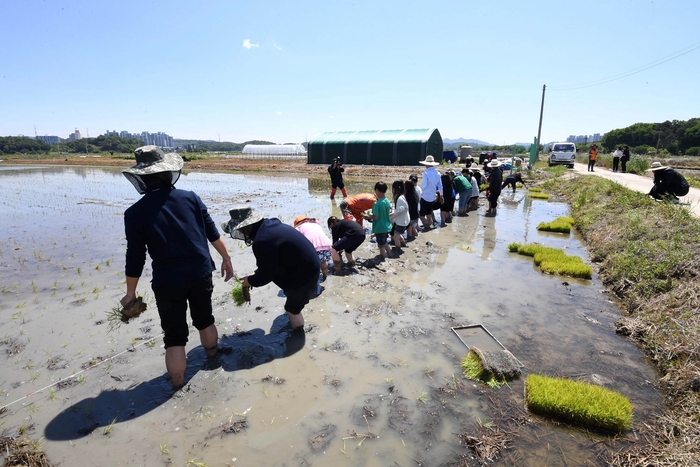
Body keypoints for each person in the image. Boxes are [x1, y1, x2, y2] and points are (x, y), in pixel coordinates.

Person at [121, 145, 234, 390]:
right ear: (167, 172)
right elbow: (213, 234)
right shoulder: (191, 198)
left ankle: (177, 386)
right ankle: (213, 358)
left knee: (174, 337)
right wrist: (226, 258)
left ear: (142, 178)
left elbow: (135, 256)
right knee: (205, 320)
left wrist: (130, 293)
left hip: (167, 282)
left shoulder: (134, 213)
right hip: (200, 273)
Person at [226, 207, 320, 331]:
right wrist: (255, 275)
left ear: (247, 227)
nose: (242, 234)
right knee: (294, 301)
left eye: (241, 230)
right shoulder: (270, 226)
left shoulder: (262, 240)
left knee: (292, 310)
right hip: (308, 265)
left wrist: (250, 281)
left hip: (305, 274)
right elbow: (271, 263)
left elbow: (266, 275)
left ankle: (297, 335)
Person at [365, 181, 392, 259]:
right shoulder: (387, 201)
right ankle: (390, 254)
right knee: (384, 242)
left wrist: (367, 216)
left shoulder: (376, 204)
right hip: (387, 226)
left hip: (379, 228)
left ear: (377, 190)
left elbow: (375, 217)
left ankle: (382, 257)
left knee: (381, 245)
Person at [418, 155, 443, 229]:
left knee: (421, 215)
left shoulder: (426, 173)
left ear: (426, 164)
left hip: (425, 196)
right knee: (428, 213)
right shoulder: (437, 173)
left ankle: (426, 226)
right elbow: (440, 185)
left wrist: (418, 188)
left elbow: (424, 185)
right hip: (432, 197)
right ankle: (429, 225)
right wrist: (441, 195)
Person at [389, 180, 409, 250]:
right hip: (404, 220)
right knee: (399, 234)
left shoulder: (400, 198)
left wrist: (392, 217)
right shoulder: (403, 196)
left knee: (396, 237)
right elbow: (400, 210)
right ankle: (404, 245)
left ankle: (398, 249)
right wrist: (392, 214)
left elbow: (401, 210)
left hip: (401, 221)